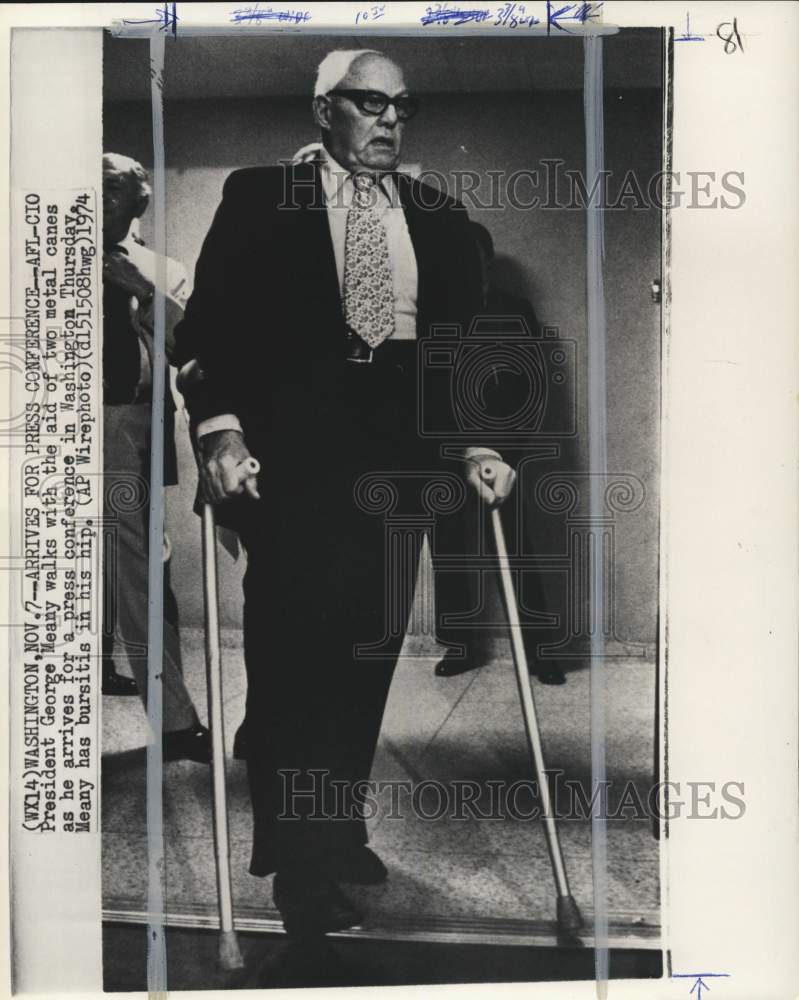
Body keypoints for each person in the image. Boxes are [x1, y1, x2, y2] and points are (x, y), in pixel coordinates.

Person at [175, 50, 516, 936]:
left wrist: (479, 441)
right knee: (296, 663)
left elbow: (461, 346)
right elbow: (207, 333)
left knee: (363, 657)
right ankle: (299, 863)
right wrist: (221, 431)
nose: (389, 120)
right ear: (325, 109)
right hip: (292, 457)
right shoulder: (261, 197)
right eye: (369, 103)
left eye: (402, 106)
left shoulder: (435, 214)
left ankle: (336, 827)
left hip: (397, 461)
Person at [102, 152, 211, 763]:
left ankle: (171, 722)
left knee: (143, 569)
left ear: (140, 199)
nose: (94, 199)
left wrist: (143, 292)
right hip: (61, 428)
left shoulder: (161, 270)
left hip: (134, 425)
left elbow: (192, 348)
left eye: (109, 188)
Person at [434, 222, 567, 686]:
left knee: (515, 549)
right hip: (447, 448)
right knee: (449, 548)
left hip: (500, 445)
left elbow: (531, 387)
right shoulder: (436, 310)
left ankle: (540, 652)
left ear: (486, 262)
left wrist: (505, 451)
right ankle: (459, 645)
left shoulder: (514, 310)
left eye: (471, 260)